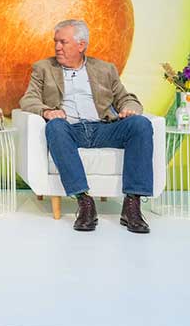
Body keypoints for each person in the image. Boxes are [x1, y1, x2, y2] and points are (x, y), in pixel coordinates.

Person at [18, 19, 154, 233]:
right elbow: (28, 100)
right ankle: (84, 202)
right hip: (70, 130)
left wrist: (129, 108)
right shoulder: (43, 68)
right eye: (56, 42)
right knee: (54, 127)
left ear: (81, 45)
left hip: (103, 128)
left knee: (141, 124)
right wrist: (47, 111)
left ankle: (132, 206)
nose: (57, 47)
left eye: (63, 42)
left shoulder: (105, 69)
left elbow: (127, 98)